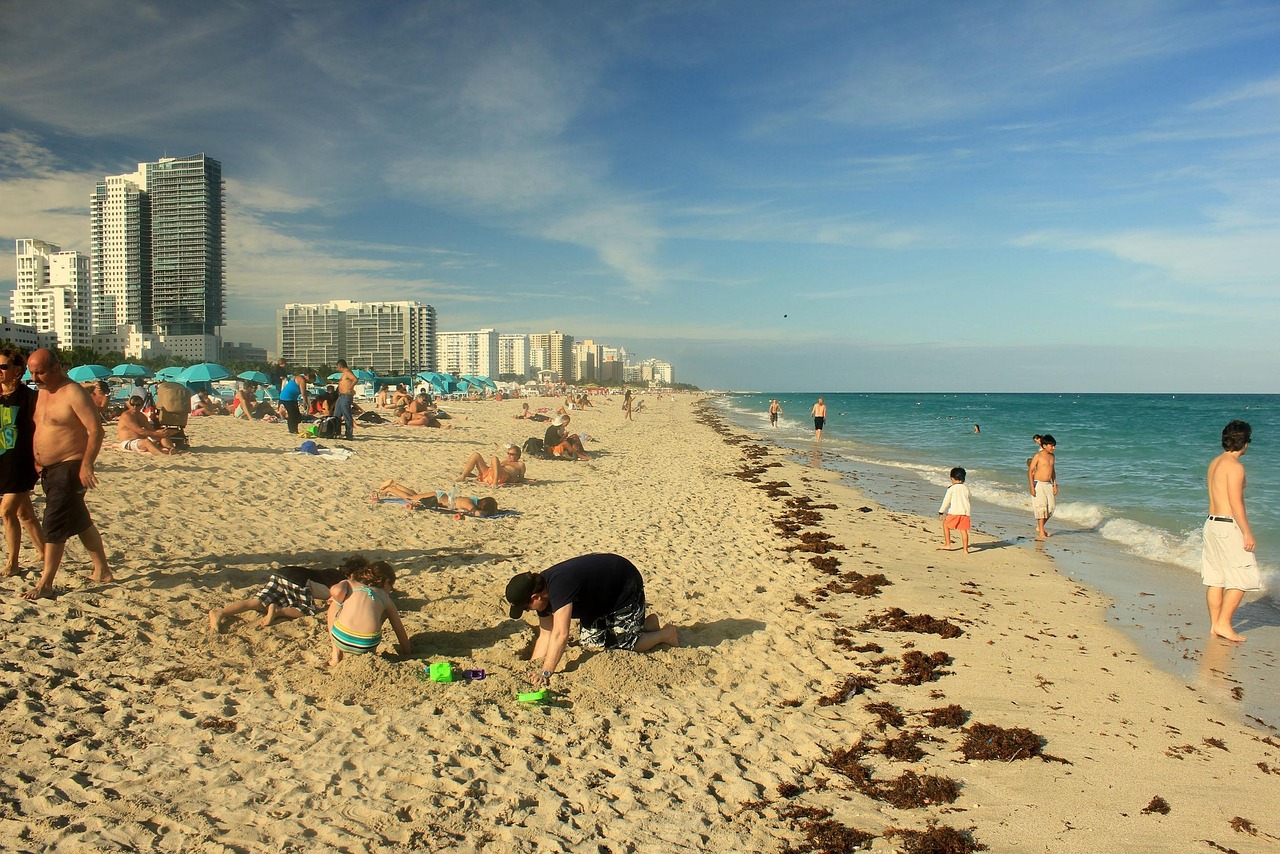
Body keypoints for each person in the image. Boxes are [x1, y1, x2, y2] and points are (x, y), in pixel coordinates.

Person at [505, 553, 679, 689]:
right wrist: (533, 665)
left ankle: (665, 634)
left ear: (535, 597)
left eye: (527, 607)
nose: (529, 611)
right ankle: (647, 626)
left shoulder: (559, 587)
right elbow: (546, 635)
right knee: (592, 644)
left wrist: (546, 671)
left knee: (625, 643)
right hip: (596, 598)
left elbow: (560, 633)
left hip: (622, 585)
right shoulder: (542, 596)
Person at [22, 349, 111, 599]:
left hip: (69, 466)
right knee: (80, 520)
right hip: (49, 470)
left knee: (53, 522)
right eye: (31, 371)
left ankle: (46, 583)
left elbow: (96, 430)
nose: (35, 377)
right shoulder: (42, 394)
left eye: (40, 372)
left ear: (56, 368)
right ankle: (102, 570)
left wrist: (87, 464)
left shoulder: (72, 392)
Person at [1203, 420, 1260, 643]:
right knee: (1243, 576)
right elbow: (1236, 503)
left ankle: (1215, 625)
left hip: (1211, 523)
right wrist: (1247, 532)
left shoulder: (1215, 462)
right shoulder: (1235, 467)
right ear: (1245, 444)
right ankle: (1224, 624)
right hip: (1227, 525)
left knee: (1215, 578)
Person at [209, 555, 370, 632]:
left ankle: (220, 612)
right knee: (307, 610)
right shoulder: (344, 582)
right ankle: (278, 611)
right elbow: (335, 598)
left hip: (283, 573)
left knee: (258, 601)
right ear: (354, 575)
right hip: (300, 581)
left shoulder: (330, 572)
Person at [0, 348, 45, 578]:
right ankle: (44, 552)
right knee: (24, 513)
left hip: (21, 463)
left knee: (6, 512)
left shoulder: (29, 398)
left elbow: (42, 427)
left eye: (3, 366)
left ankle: (13, 563)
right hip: (2, 463)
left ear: (17, 371)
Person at [327, 560, 410, 667]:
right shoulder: (387, 599)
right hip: (367, 645)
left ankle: (336, 655)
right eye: (391, 587)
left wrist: (338, 597)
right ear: (386, 582)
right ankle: (372, 655)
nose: (390, 591)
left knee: (335, 603)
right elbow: (399, 631)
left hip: (341, 638)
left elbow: (336, 590)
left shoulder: (351, 583)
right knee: (380, 612)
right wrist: (406, 652)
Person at [375, 481, 500, 516]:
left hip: (440, 496)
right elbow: (474, 512)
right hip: (437, 498)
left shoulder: (473, 500)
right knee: (411, 498)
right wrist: (483, 514)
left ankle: (395, 485)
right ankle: (390, 489)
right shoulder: (470, 504)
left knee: (415, 495)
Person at [1028, 434, 1057, 539]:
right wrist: (1032, 487)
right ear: (1044, 445)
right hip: (1038, 483)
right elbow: (1030, 471)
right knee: (1041, 508)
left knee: (1051, 508)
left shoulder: (1052, 456)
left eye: (1054, 446)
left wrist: (1055, 484)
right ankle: (1041, 531)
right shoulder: (1038, 456)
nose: (1053, 448)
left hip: (1048, 484)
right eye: (1051, 446)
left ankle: (1040, 527)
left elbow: (1053, 470)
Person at [937, 467, 972, 553]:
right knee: (963, 530)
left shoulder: (952, 488)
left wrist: (941, 511)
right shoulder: (966, 488)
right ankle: (965, 550)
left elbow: (946, 501)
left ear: (952, 478)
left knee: (945, 525)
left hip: (954, 512)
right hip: (965, 512)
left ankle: (948, 544)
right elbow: (968, 499)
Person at [455, 445, 526, 485]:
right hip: (490, 473)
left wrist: (527, 480)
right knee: (475, 455)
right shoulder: (505, 461)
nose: (509, 456)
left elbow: (521, 478)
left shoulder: (520, 464)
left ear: (518, 455)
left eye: (512, 454)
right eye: (508, 454)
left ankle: (494, 482)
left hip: (500, 477)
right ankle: (463, 476)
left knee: (494, 458)